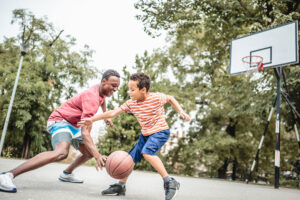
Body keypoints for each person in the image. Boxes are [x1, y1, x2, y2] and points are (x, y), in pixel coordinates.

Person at [0, 69, 120, 193]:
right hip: (61, 120)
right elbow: (85, 133)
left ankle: (67, 174)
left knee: (88, 152)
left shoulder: (100, 90)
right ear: (104, 81)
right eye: (113, 86)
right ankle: (8, 175)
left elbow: (103, 100)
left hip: (75, 124)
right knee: (61, 152)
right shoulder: (92, 98)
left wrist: (105, 116)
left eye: (117, 87)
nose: (115, 89)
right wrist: (98, 156)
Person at [79, 72, 190, 200]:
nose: (129, 92)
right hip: (145, 134)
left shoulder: (156, 98)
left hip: (160, 132)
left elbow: (170, 98)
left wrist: (181, 111)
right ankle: (121, 185)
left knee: (147, 152)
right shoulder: (131, 103)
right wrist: (92, 119)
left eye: (132, 89)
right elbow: (113, 113)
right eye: (128, 89)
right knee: (129, 159)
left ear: (143, 90)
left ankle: (169, 181)